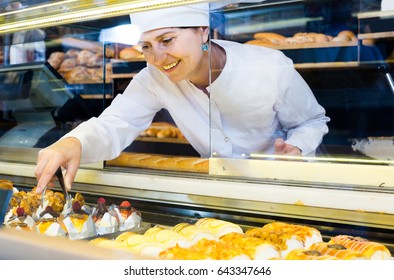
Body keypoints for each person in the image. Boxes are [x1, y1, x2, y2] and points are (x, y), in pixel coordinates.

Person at [35, 3, 329, 193]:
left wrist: (298, 148)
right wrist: (73, 142)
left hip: (285, 188)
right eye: (146, 47)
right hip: (219, 194)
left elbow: (312, 121)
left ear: (203, 32)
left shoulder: (268, 65)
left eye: (167, 41)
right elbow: (115, 122)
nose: (157, 58)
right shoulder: (153, 78)